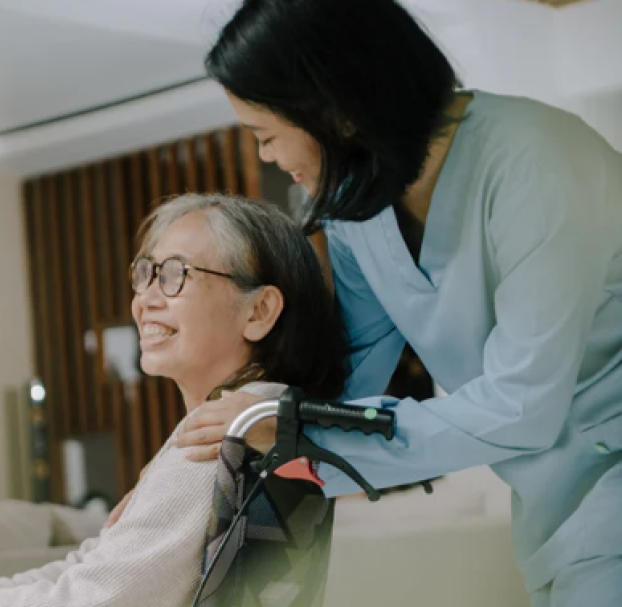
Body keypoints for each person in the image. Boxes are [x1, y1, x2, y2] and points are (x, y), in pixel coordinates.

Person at [172, 1, 622, 606]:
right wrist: (207, 468)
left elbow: (522, 404)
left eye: (267, 135)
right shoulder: (359, 210)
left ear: (333, 108)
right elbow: (347, 382)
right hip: (555, 512)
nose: (266, 158)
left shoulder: (536, 159)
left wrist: (293, 429)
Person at [0, 194, 349, 607]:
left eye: (175, 275)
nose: (145, 299)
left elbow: (90, 600)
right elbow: (94, 568)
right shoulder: (262, 415)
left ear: (259, 310)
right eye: (145, 273)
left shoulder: (226, 434)